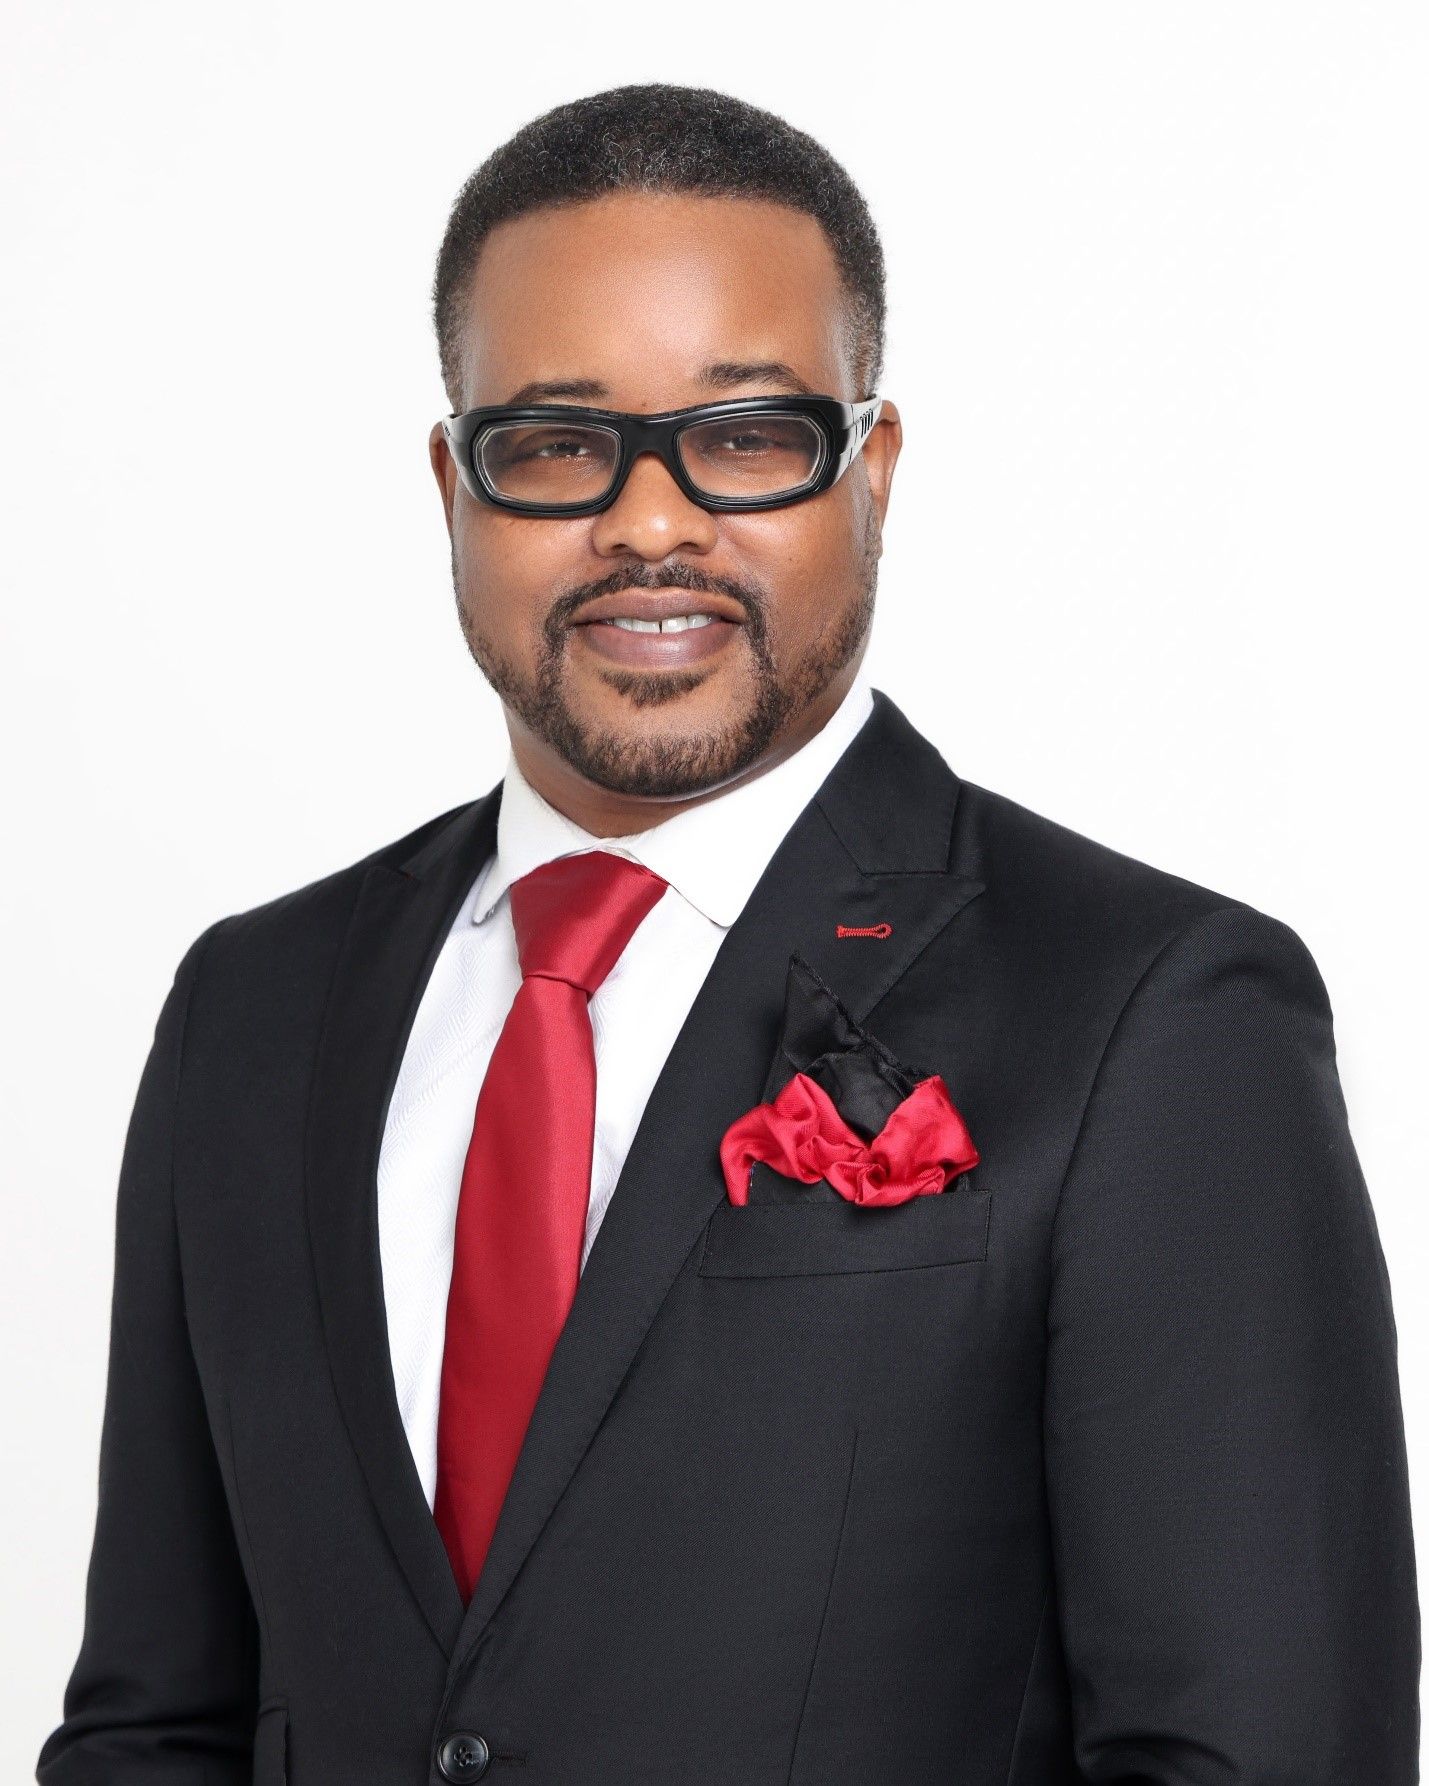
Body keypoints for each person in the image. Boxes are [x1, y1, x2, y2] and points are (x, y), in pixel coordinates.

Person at [37, 83, 1418, 1786]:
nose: (649, 521)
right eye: (553, 443)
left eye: (748, 435)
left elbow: (1265, 1750)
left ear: (873, 469)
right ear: (452, 485)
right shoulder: (251, 1008)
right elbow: (155, 1721)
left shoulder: (1152, 1013)